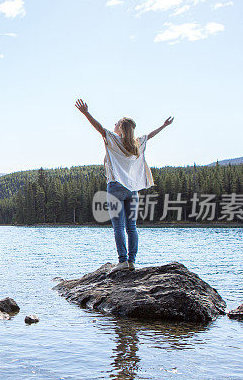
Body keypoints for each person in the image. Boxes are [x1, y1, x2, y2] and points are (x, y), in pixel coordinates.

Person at [74, 99, 174, 272]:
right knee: (132, 227)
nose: (114, 125)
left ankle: (122, 261)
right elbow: (150, 135)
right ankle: (131, 261)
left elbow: (98, 128)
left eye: (116, 123)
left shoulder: (113, 140)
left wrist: (86, 113)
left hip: (115, 188)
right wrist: (164, 126)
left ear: (120, 128)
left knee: (119, 227)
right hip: (132, 190)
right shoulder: (137, 143)